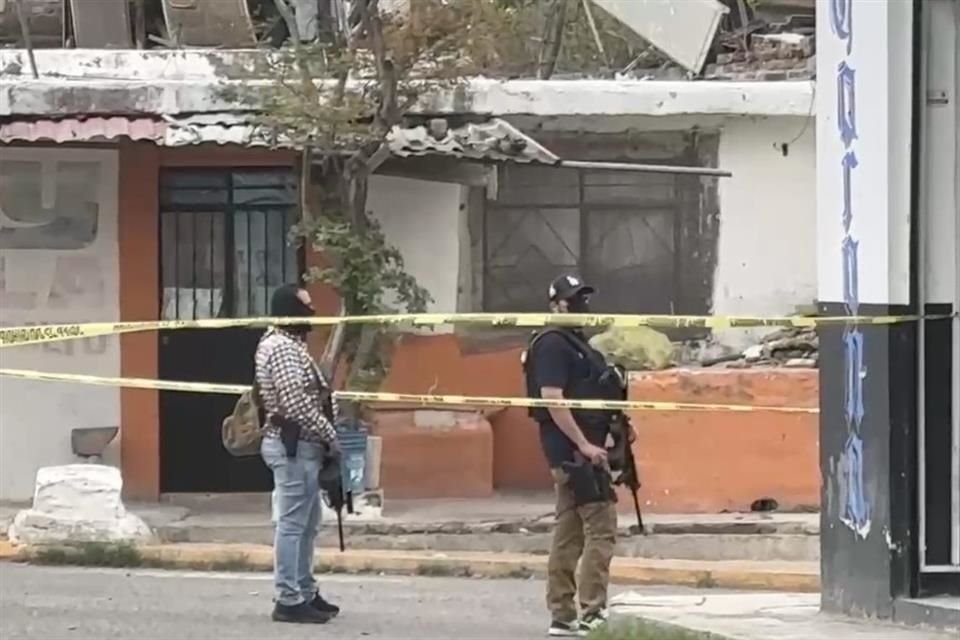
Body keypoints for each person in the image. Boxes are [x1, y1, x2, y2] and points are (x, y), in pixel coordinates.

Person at [522, 274, 621, 637]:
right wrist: (583, 444)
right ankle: (593, 613)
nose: (580, 306)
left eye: (582, 299)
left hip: (579, 452)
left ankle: (562, 616)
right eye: (572, 300)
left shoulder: (576, 343)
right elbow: (553, 397)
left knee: (569, 534)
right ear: (555, 305)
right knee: (602, 529)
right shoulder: (552, 344)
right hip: (576, 455)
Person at [256, 283, 341, 624]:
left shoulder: (290, 344)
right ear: (289, 309)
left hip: (303, 447)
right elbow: (294, 403)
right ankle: (288, 598)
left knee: (307, 524)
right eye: (305, 307)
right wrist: (330, 433)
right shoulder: (282, 349)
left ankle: (304, 589)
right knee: (293, 525)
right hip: (293, 446)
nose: (312, 313)